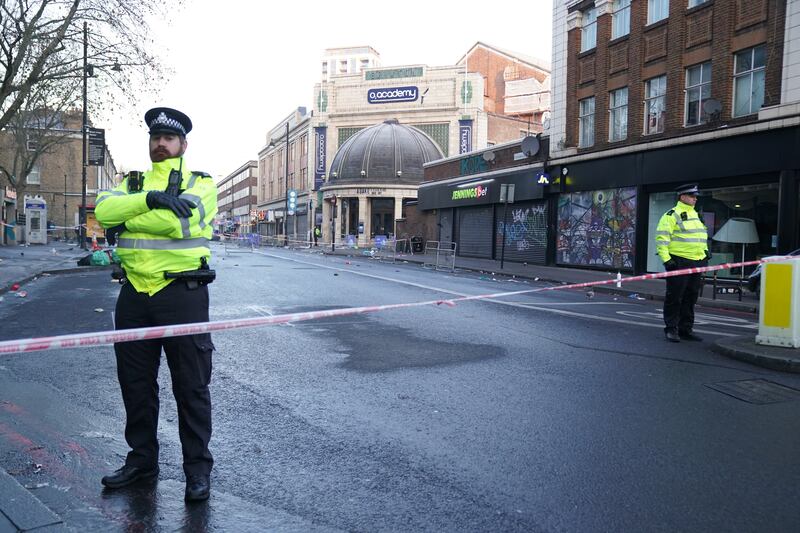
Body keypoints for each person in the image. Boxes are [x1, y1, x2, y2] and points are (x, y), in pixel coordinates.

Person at [95, 107, 218, 501]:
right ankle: (141, 461)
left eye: (168, 139)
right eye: (155, 138)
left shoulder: (203, 183)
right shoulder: (132, 182)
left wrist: (130, 217)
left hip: (182, 293)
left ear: (183, 145)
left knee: (191, 386)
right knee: (135, 385)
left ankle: (197, 470)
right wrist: (151, 199)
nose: (160, 144)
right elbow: (102, 213)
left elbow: (179, 224)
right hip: (134, 293)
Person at [656, 183, 709, 343]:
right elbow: (661, 239)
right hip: (679, 262)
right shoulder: (671, 215)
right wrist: (667, 261)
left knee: (691, 297)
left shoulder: (697, 215)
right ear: (682, 197)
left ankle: (686, 329)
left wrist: (705, 255)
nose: (695, 198)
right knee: (675, 297)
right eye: (692, 196)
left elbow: (701, 237)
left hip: (697, 261)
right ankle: (671, 329)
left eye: (695, 196)